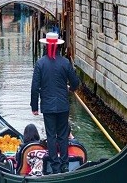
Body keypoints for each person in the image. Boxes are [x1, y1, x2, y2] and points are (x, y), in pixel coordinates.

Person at [30, 30, 80, 174]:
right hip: (63, 105)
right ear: (58, 46)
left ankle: (55, 166)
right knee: (63, 135)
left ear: (46, 46)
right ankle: (65, 165)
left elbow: (35, 88)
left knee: (51, 136)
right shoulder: (65, 62)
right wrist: (71, 89)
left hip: (47, 107)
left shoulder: (40, 63)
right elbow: (75, 82)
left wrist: (34, 107)